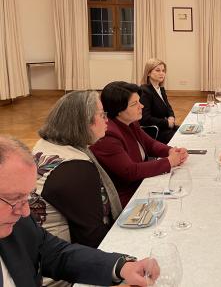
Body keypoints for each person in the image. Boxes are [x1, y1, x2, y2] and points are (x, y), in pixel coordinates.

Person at [0, 136, 159, 287]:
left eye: (27, 197)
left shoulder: (18, 223)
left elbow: (56, 254)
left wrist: (121, 267)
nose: (25, 212)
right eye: (14, 198)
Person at [30, 92, 123, 286]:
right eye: (102, 114)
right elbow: (92, 238)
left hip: (39, 258)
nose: (107, 120)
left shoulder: (46, 145)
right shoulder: (75, 168)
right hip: (58, 276)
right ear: (83, 122)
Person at [91, 81, 188, 207]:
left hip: (144, 182)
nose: (141, 106)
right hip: (129, 196)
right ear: (118, 110)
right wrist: (169, 162)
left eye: (139, 101)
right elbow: (130, 171)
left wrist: (171, 151)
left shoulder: (130, 122)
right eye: (134, 104)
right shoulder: (107, 135)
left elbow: (150, 144)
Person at [140, 58, 179, 144]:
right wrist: (166, 123)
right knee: (182, 138)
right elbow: (145, 119)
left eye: (163, 70)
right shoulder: (144, 91)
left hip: (165, 127)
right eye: (158, 70)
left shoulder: (160, 89)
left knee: (188, 132)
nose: (161, 73)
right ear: (148, 73)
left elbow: (168, 107)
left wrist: (171, 116)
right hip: (155, 132)